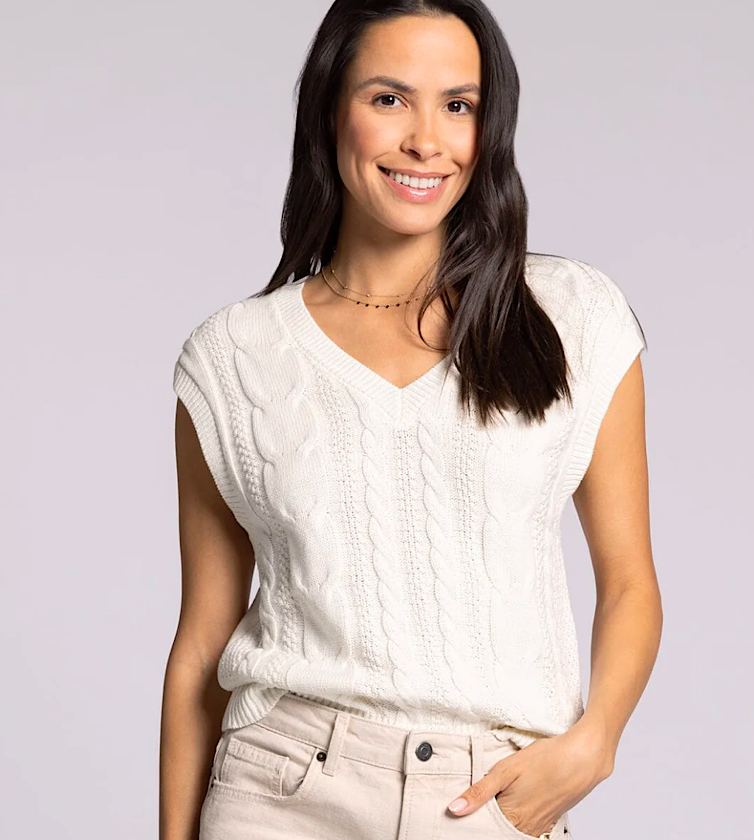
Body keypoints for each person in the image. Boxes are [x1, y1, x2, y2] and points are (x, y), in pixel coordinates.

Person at [160, 1, 662, 839]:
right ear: (330, 111)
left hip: (487, 796)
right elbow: (200, 649)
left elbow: (630, 582)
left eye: (458, 105)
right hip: (280, 792)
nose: (428, 140)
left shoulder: (574, 317)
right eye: (389, 99)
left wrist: (595, 742)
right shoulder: (233, 358)